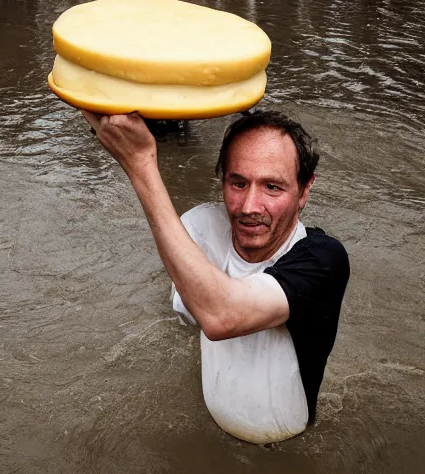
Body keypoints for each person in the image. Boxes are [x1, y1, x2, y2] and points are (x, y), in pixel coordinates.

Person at [81, 109, 349, 443]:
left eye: (272, 187)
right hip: (210, 425)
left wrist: (141, 165)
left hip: (283, 444)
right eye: (238, 183)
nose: (250, 205)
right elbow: (189, 317)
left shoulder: (323, 260)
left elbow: (222, 316)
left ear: (304, 190)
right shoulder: (200, 228)